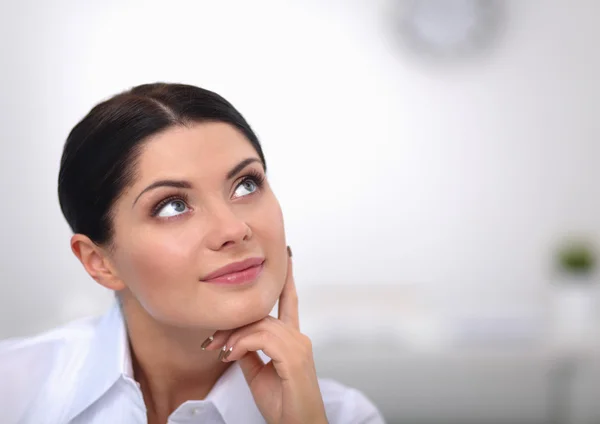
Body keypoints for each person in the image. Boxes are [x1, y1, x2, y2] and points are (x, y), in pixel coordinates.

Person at [0, 83, 385, 424]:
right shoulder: (12, 389)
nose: (234, 229)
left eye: (246, 185)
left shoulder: (342, 416)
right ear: (99, 262)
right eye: (172, 206)